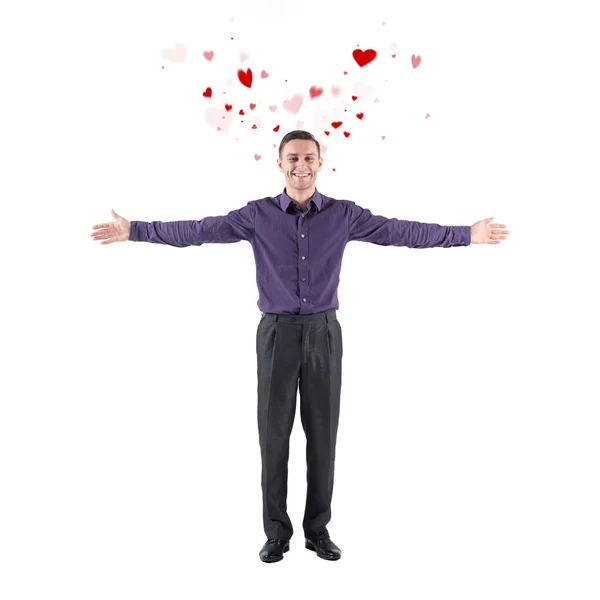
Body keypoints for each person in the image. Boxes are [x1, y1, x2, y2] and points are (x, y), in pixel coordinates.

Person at [90, 130, 510, 563]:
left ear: (320, 162)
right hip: (276, 334)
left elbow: (402, 231)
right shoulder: (257, 215)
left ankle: (317, 530)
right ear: (280, 163)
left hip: (325, 334)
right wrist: (133, 230)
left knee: (322, 436)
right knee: (273, 437)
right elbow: (198, 230)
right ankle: (276, 532)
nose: (301, 165)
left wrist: (466, 234)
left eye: (309, 157)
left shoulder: (344, 215)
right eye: (293, 158)